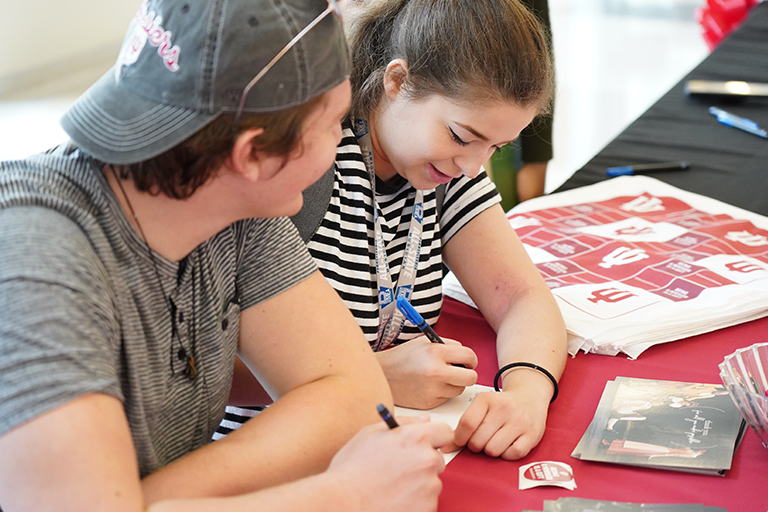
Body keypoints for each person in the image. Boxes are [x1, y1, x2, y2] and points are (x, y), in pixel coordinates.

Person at [0, 0, 452, 511]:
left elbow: (352, 394)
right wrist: (341, 494)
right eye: (332, 124)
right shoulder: (33, 259)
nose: (341, 141)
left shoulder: (233, 201)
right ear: (252, 154)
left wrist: (133, 502)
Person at [226, 0, 568, 461]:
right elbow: (205, 365)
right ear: (397, 81)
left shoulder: (446, 169)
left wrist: (526, 393)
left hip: (375, 445)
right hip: (264, 458)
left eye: (498, 147)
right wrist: (373, 375)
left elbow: (522, 297)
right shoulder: (308, 160)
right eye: (462, 137)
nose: (472, 166)